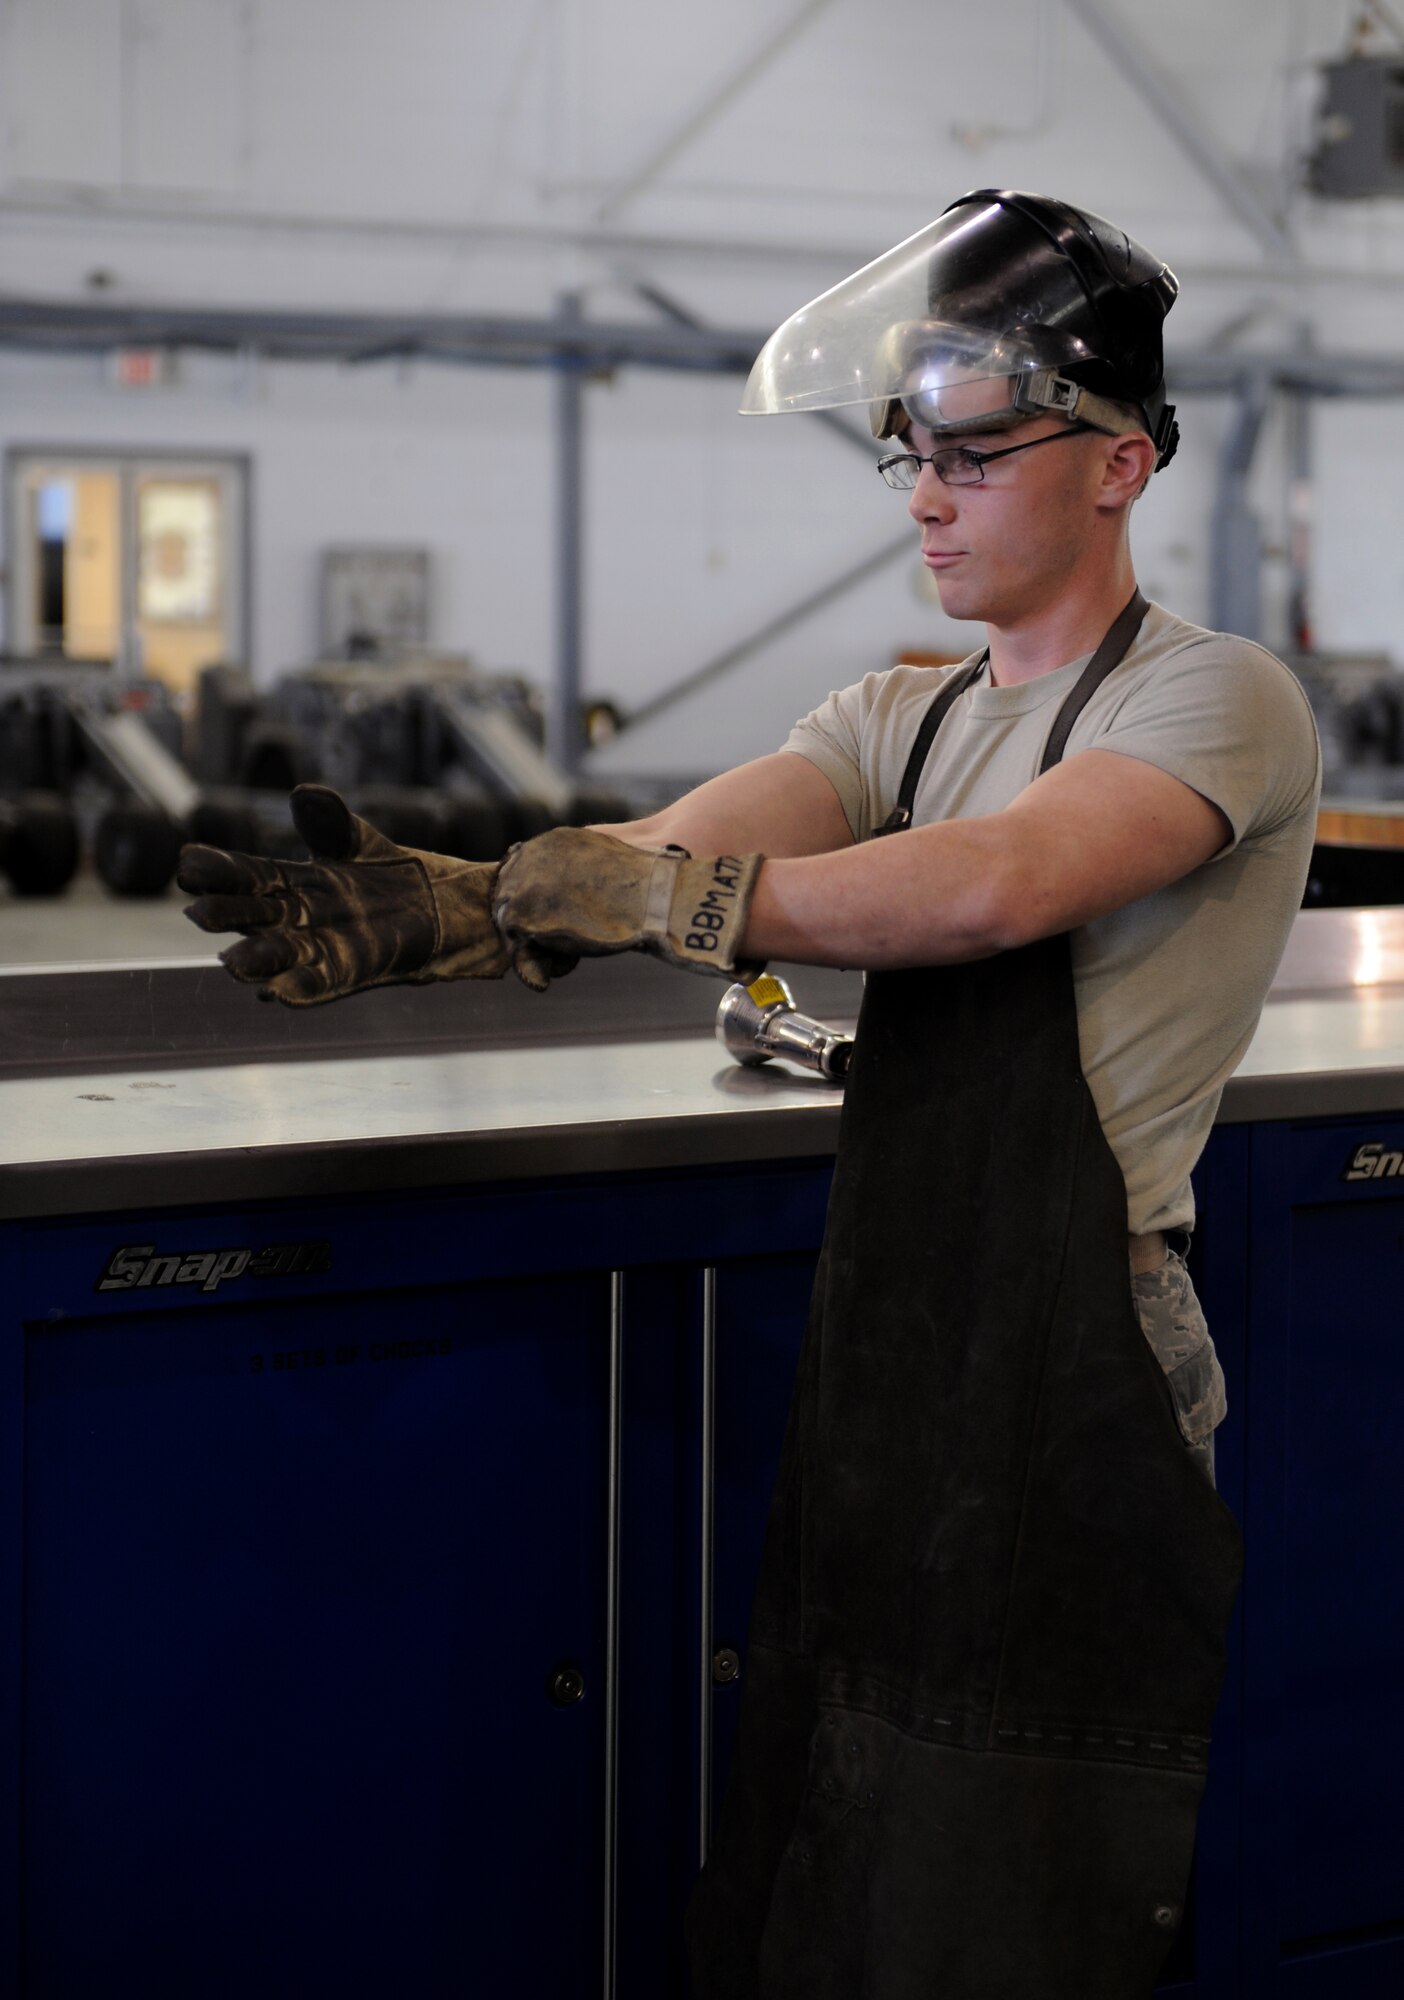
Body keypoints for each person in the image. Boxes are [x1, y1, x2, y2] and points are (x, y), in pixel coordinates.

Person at [180, 189, 1320, 1997]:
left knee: (1010, 1882)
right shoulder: (904, 716)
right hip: (897, 1357)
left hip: (1085, 1358)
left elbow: (996, 887)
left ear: (1120, 461)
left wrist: (672, 904)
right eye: (907, 456)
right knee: (835, 1842)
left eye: (976, 449)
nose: (929, 493)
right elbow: (682, 844)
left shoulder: (1213, 701)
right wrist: (476, 907)